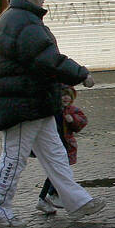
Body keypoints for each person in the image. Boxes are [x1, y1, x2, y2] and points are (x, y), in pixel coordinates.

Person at [0, 0, 106, 228]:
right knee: (13, 159)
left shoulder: (20, 18)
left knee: (55, 154)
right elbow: (47, 59)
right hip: (23, 104)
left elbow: (43, 59)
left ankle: (75, 200)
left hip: (35, 102)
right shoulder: (24, 21)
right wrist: (81, 73)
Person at [36, 85, 87, 214]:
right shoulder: (52, 110)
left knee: (56, 172)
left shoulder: (72, 110)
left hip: (66, 146)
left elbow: (82, 122)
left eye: (68, 95)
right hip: (52, 146)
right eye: (63, 95)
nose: (65, 98)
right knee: (59, 172)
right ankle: (52, 195)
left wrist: (72, 120)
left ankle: (44, 199)